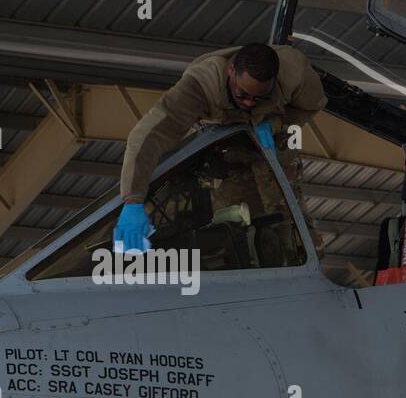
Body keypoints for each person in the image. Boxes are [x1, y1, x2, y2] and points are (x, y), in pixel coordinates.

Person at [114, 42, 326, 252]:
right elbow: (148, 136)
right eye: (242, 94)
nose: (250, 103)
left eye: (259, 98)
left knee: (291, 227)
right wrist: (133, 200)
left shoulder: (296, 74)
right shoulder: (199, 86)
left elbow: (311, 106)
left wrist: (277, 123)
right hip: (226, 154)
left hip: (272, 146)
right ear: (231, 71)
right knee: (238, 230)